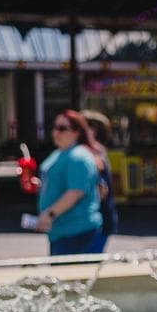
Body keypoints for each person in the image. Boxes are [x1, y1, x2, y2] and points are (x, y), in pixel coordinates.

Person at [34, 109, 106, 256]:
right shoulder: (60, 152)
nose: (56, 132)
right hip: (61, 231)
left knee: (69, 271)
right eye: (54, 127)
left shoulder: (78, 156)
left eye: (62, 128)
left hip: (77, 231)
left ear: (76, 132)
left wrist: (50, 214)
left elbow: (75, 192)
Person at [81, 110, 118, 252]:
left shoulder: (94, 154)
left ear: (92, 131)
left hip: (98, 221)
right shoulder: (97, 151)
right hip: (101, 219)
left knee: (88, 261)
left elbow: (101, 190)